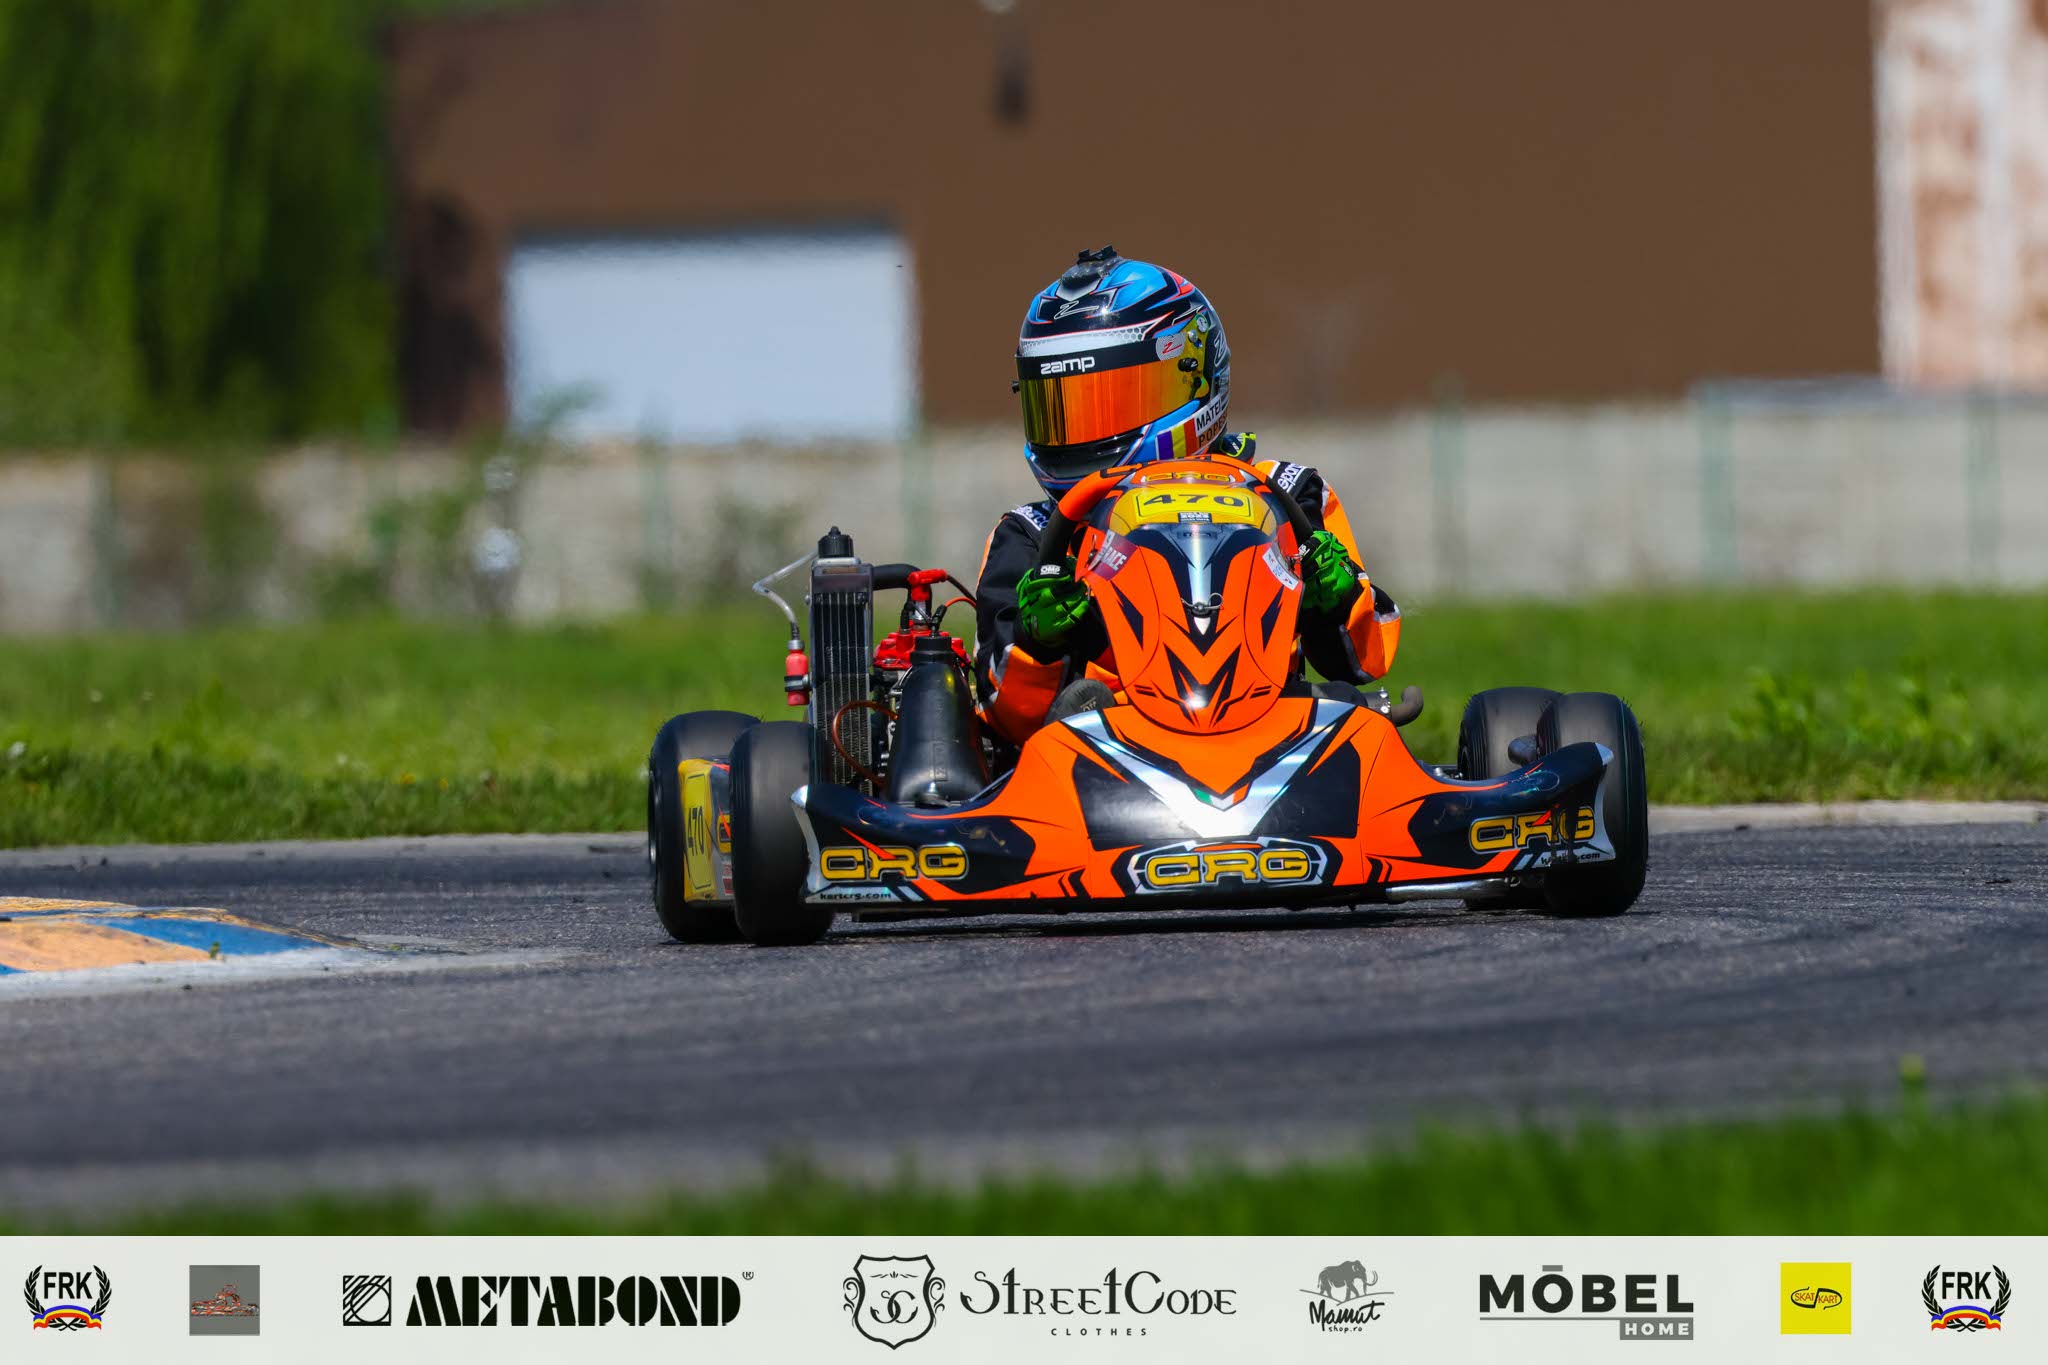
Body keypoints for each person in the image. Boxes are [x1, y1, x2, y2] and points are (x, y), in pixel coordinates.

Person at [973, 247, 1402, 744]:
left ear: (1192, 380)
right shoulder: (1033, 536)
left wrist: (1335, 600)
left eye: (1110, 402)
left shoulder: (1288, 495)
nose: (1083, 431)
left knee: (1347, 710)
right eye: (1064, 408)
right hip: (1101, 743)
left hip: (1271, 730)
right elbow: (1006, 713)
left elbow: (1365, 660)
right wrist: (1039, 644)